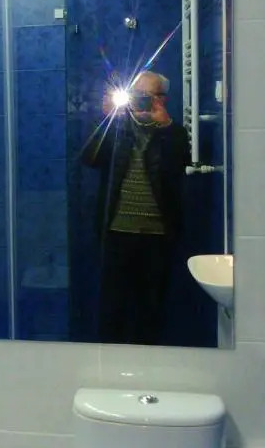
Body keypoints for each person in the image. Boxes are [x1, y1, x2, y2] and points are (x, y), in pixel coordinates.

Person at [81, 71, 189, 345]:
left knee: (151, 309)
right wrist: (106, 120)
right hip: (116, 233)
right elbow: (90, 159)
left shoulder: (174, 132)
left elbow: (178, 168)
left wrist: (165, 128)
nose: (140, 102)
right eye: (136, 95)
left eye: (147, 96)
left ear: (161, 99)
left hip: (158, 236)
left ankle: (147, 362)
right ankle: (109, 364)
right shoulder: (117, 129)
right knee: (112, 309)